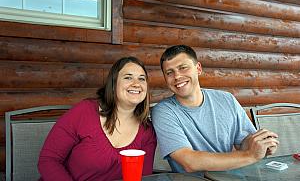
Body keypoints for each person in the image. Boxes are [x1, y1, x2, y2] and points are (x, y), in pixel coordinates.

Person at [151, 45, 279, 175]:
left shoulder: (226, 99)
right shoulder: (163, 111)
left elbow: (244, 143)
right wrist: (251, 155)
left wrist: (261, 145)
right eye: (169, 72)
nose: (177, 76)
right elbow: (189, 162)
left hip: (231, 178)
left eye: (183, 68)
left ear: (198, 68)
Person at [38, 57, 157, 181]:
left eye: (142, 79)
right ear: (113, 83)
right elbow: (48, 160)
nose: (136, 84)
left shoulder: (147, 132)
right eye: (128, 77)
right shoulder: (85, 111)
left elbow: (143, 177)